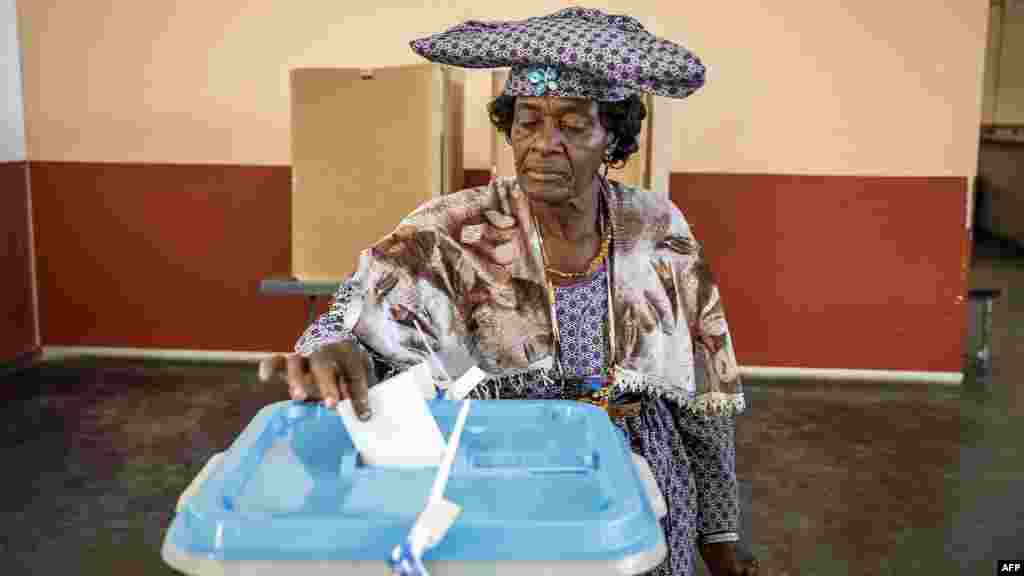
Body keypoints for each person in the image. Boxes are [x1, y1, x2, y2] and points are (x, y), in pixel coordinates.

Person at [262, 7, 759, 576]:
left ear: (613, 138)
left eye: (573, 125)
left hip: (642, 496)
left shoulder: (657, 229)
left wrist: (720, 538)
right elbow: (356, 326)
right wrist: (335, 348)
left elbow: (704, 395)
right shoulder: (451, 230)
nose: (544, 144)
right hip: (501, 486)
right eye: (528, 121)